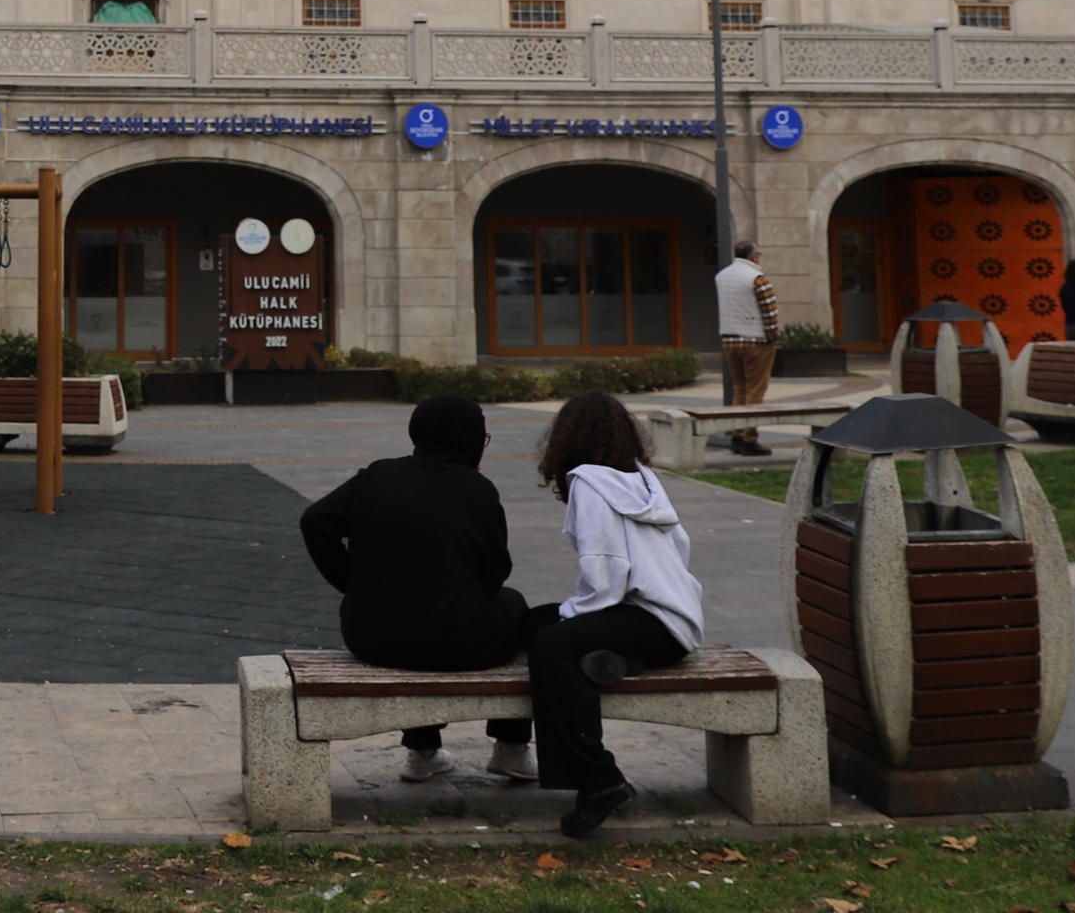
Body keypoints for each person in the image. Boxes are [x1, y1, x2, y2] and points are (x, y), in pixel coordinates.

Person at [298, 394, 536, 784]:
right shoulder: (476, 489)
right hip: (458, 643)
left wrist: (354, 585)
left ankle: (423, 752)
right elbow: (497, 573)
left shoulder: (376, 476)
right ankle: (511, 747)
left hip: (371, 637)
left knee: (422, 612)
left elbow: (315, 522)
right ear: (469, 438)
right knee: (516, 607)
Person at [530, 391, 705, 839]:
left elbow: (605, 569)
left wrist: (573, 616)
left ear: (565, 439)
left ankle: (598, 780)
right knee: (540, 624)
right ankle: (618, 662)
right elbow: (679, 548)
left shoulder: (587, 482)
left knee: (550, 644)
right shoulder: (642, 478)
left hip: (650, 617)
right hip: (675, 619)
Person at [711, 244, 777, 455]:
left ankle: (737, 435)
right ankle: (750, 438)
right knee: (755, 390)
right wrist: (772, 335)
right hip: (756, 341)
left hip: (730, 340)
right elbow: (769, 310)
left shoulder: (722, 276)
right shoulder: (757, 278)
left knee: (739, 389)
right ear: (754, 256)